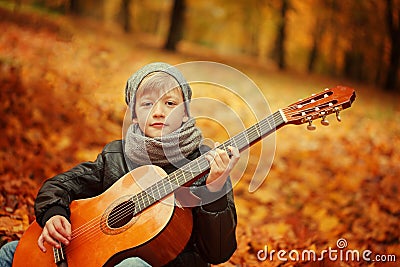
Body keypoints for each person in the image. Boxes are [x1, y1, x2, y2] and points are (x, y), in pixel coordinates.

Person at [0, 62, 239, 267]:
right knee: (10, 252)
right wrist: (54, 214)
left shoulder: (208, 163)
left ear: (186, 113)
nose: (158, 112)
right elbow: (59, 186)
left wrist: (215, 191)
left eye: (170, 103)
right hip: (94, 257)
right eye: (147, 104)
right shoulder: (115, 156)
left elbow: (218, 252)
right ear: (134, 114)